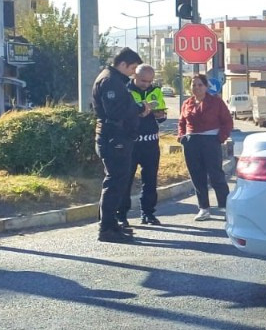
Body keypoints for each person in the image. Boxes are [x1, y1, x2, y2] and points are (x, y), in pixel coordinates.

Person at [92, 47, 154, 243]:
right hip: (114, 138)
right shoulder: (110, 81)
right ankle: (106, 228)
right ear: (123, 64)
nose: (133, 72)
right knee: (115, 182)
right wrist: (138, 109)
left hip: (117, 137)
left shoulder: (116, 79)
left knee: (117, 182)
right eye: (132, 68)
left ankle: (111, 225)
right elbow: (115, 111)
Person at [178, 74, 233, 222]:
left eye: (200, 85)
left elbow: (227, 122)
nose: (196, 88)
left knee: (216, 175)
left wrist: (219, 138)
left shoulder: (216, 102)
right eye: (193, 85)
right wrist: (182, 137)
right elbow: (182, 122)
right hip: (192, 142)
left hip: (211, 141)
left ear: (206, 86)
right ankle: (203, 208)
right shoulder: (187, 103)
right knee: (197, 176)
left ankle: (225, 206)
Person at [118, 64, 167, 226]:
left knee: (150, 180)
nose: (146, 84)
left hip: (151, 142)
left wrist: (157, 113)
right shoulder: (126, 91)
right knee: (125, 180)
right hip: (131, 143)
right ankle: (122, 215)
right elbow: (122, 115)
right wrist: (139, 113)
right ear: (135, 76)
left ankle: (148, 214)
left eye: (149, 81)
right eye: (143, 80)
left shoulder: (156, 91)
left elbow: (162, 114)